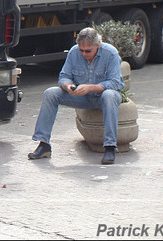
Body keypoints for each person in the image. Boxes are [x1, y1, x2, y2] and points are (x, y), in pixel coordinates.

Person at [28, 27, 124, 164]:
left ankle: (109, 147)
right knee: (50, 93)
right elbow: (64, 76)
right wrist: (68, 87)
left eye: (88, 51)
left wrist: (91, 88)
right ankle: (43, 144)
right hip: (81, 97)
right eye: (82, 50)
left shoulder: (111, 53)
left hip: (103, 97)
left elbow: (115, 83)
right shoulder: (73, 52)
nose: (84, 54)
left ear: (98, 45)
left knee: (109, 95)